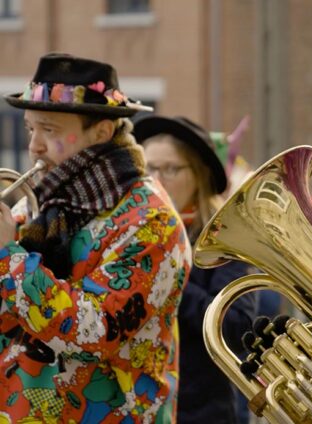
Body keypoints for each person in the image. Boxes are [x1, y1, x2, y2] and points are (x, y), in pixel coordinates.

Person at [0, 53, 190, 422]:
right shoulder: (44, 205)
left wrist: (8, 258)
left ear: (102, 131)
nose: (34, 146)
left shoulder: (151, 220)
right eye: (30, 129)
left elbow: (93, 332)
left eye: (49, 130)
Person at [135, 116, 258, 423]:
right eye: (149, 168)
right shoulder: (130, 236)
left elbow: (236, 326)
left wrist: (169, 278)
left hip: (201, 412)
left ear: (199, 175)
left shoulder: (224, 241)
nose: (156, 180)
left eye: (171, 169)